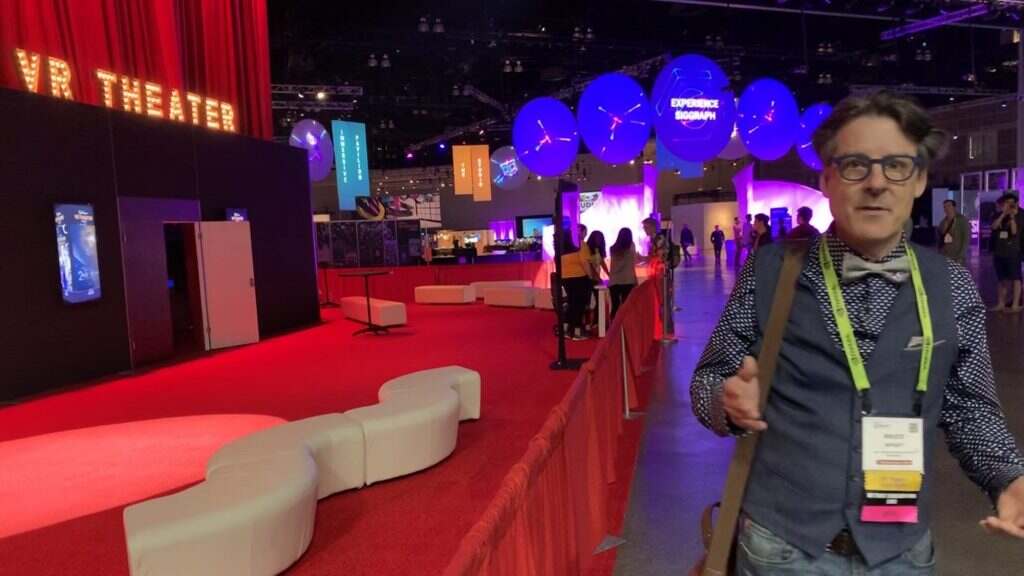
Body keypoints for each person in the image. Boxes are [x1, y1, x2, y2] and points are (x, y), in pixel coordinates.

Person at [691, 91, 1024, 575]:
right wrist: (724, 401)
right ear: (826, 179)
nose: (876, 183)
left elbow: (969, 406)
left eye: (897, 166)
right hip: (781, 547)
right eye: (855, 166)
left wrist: (1008, 477)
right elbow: (708, 379)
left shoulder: (951, 286)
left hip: (900, 554)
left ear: (919, 180)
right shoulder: (770, 271)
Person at [558, 230, 595, 340]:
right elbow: (585, 262)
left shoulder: (562, 248)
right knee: (579, 305)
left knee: (571, 304)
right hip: (579, 278)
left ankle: (565, 330)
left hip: (565, 278)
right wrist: (591, 276)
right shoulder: (581, 245)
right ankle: (577, 332)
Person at [990, 193, 1022, 313]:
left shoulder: (1018, 216)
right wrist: (1003, 214)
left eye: (1011, 203)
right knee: (1002, 279)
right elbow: (994, 227)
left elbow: (1014, 232)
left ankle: (1015, 305)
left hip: (1013, 252)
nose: (1009, 205)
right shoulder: (997, 215)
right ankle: (1001, 303)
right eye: (1007, 203)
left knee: (1016, 278)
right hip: (999, 251)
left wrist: (1012, 217)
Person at [608, 227, 638, 319]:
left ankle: (614, 325)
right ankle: (626, 325)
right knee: (627, 306)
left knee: (615, 306)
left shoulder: (613, 248)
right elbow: (633, 262)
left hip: (614, 281)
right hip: (628, 280)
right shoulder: (631, 246)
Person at [936, 199, 969, 264]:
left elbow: (966, 239)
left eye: (948, 206)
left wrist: (961, 256)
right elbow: (940, 238)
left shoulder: (962, 220)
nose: (946, 208)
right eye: (944, 207)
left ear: (954, 207)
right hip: (945, 255)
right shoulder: (943, 222)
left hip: (957, 256)